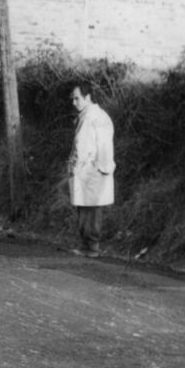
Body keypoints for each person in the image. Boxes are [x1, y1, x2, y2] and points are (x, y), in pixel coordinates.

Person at [68, 80, 116, 257]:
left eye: (77, 98)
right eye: (72, 99)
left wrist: (73, 166)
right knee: (90, 208)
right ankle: (88, 246)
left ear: (87, 97)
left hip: (89, 168)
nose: (74, 103)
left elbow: (82, 146)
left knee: (89, 209)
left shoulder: (89, 117)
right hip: (98, 167)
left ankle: (90, 247)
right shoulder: (100, 115)